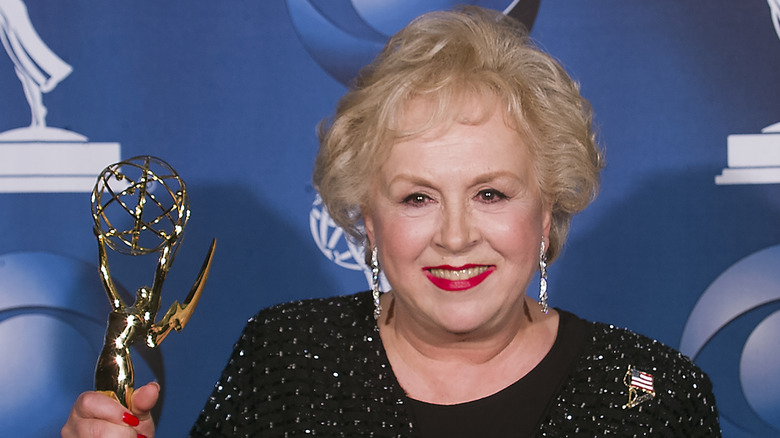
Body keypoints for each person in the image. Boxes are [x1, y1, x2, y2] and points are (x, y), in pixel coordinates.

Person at [62, 6, 721, 437]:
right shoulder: (286, 359)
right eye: (417, 198)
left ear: (546, 214)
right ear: (367, 223)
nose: (456, 235)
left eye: (491, 194)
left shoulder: (651, 395)